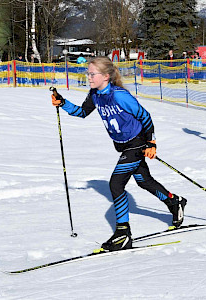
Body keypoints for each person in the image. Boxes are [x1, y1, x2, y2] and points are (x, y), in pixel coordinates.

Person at [51, 56, 187, 251]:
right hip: (123, 145)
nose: (88, 77)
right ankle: (174, 201)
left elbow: (145, 116)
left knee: (116, 184)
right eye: (87, 73)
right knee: (143, 180)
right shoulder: (95, 94)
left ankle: (123, 233)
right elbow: (81, 112)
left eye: (92, 74)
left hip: (137, 142)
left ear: (106, 76)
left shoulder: (119, 95)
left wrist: (151, 142)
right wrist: (62, 103)